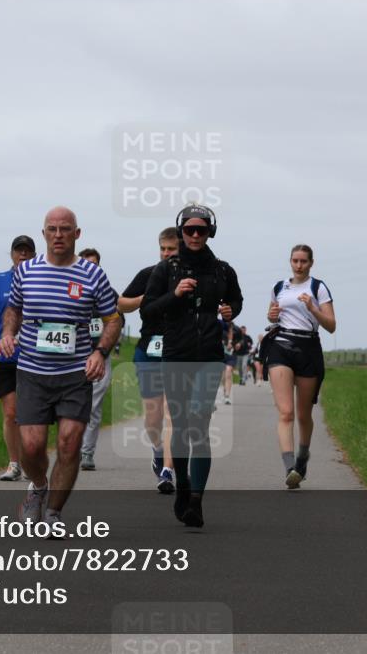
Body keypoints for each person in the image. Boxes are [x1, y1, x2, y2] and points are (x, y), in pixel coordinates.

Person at [0, 207, 122, 532]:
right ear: (43, 234)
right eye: (52, 229)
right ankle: (38, 486)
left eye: (65, 229)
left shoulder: (92, 275)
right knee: (32, 447)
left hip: (75, 374)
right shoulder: (27, 271)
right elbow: (13, 308)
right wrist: (8, 333)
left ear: (77, 234)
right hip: (33, 372)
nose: (58, 235)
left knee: (69, 443)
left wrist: (100, 352)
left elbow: (113, 319)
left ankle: (53, 514)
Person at [141, 203, 242, 527]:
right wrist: (175, 294)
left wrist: (230, 312)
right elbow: (147, 311)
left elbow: (236, 299)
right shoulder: (167, 270)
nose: (195, 235)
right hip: (176, 355)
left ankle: (196, 499)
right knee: (182, 425)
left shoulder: (223, 270)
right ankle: (182, 483)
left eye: (201, 229)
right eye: (189, 229)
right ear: (182, 231)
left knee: (198, 422)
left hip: (209, 356)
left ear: (210, 232)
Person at [265, 244, 336, 489]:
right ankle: (290, 468)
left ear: (311, 263)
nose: (298, 265)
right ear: (290, 261)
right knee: (286, 413)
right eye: (295, 260)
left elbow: (331, 325)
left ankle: (302, 458)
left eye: (303, 261)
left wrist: (313, 308)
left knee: (304, 414)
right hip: (281, 345)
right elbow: (271, 315)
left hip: (308, 348)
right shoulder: (279, 287)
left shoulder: (318, 287)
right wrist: (272, 315)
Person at [117, 227, 180, 494]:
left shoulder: (189, 277)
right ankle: (157, 450)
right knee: (153, 418)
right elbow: (121, 304)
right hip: (148, 349)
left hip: (178, 350)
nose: (166, 254)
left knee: (172, 413)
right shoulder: (148, 274)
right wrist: (146, 298)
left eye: (172, 250)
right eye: (163, 249)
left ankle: (167, 470)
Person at [0, 235, 37, 481]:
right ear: (11, 254)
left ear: (33, 255)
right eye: (18, 251)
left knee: (31, 412)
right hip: (4, 355)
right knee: (11, 412)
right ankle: (14, 464)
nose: (22, 255)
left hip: (34, 355)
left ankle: (32, 463)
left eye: (27, 251)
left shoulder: (40, 279)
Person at [78, 247, 113, 471]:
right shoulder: (69, 290)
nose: (91, 268)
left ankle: (87, 453)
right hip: (72, 356)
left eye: (95, 264)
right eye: (87, 264)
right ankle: (71, 447)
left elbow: (117, 319)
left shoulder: (108, 292)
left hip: (100, 355)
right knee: (72, 406)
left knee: (94, 406)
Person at [220, 321, 238, 404]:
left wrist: (237, 344)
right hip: (221, 355)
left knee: (228, 372)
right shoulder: (220, 328)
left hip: (231, 355)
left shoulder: (237, 330)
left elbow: (241, 340)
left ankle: (227, 396)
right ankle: (225, 390)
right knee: (223, 377)